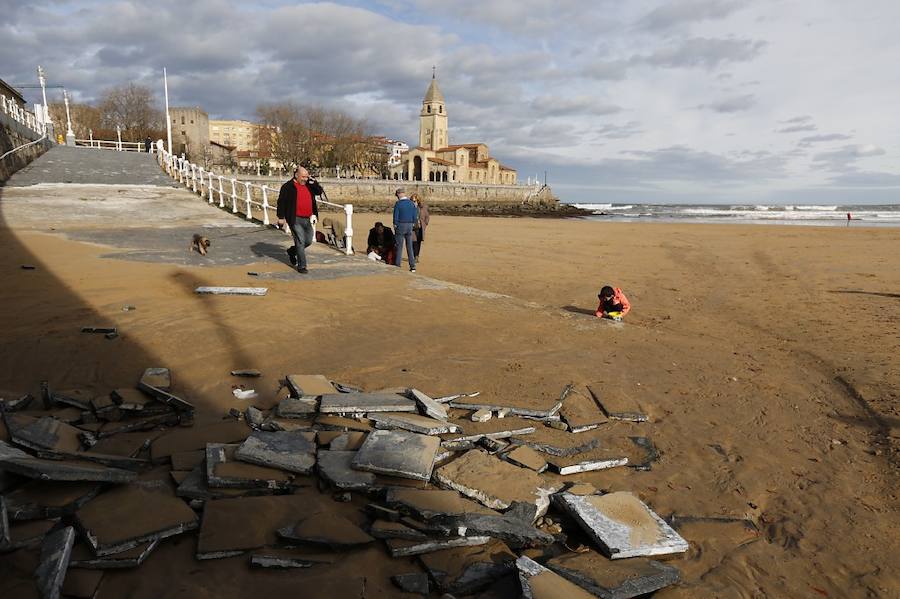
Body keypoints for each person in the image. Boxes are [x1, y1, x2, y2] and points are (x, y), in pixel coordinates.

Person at [276, 166, 323, 274]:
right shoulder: (288, 187)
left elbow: (319, 192)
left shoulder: (308, 185)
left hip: (307, 218)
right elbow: (281, 202)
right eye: (303, 177)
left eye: (307, 177)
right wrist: (281, 217)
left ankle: (292, 251)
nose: (305, 179)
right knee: (300, 241)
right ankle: (302, 266)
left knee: (308, 241)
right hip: (294, 218)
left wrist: (313, 182)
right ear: (296, 175)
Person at [392, 188, 418, 272]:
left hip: (401, 224)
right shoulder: (411, 203)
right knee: (409, 246)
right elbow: (415, 215)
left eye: (397, 195)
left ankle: (398, 264)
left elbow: (396, 216)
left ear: (399, 194)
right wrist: (413, 223)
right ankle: (412, 266)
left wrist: (395, 225)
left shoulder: (398, 204)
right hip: (410, 225)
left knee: (399, 246)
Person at [411, 194, 430, 261]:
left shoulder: (423, 207)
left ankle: (416, 256)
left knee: (418, 242)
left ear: (418, 201)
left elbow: (427, 216)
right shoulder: (410, 207)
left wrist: (425, 224)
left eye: (415, 201)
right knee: (413, 242)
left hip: (420, 227)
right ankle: (413, 255)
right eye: (413, 201)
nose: (414, 202)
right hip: (412, 227)